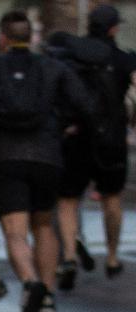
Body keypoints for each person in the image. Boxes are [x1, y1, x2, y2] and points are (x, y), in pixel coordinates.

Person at [0, 11, 95, 312]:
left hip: (6, 158)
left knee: (15, 231)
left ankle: (30, 283)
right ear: (30, 36)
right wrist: (65, 125)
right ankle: (47, 297)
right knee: (44, 224)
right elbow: (84, 106)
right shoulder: (53, 69)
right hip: (47, 155)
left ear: (3, 38)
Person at [54, 4, 136, 285]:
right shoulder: (124, 60)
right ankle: (112, 258)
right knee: (112, 199)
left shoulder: (71, 55)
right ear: (113, 28)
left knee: (67, 200)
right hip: (111, 139)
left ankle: (68, 256)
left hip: (77, 136)